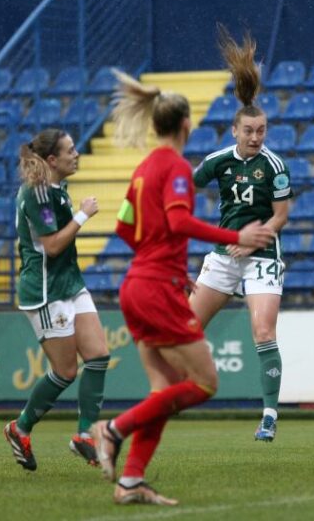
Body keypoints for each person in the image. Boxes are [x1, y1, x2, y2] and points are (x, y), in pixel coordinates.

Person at [91, 71, 274, 506]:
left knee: (164, 390)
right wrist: (237, 237)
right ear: (186, 126)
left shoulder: (144, 168)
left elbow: (123, 226)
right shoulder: (174, 166)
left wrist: (165, 259)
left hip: (138, 283)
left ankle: (132, 481)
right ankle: (112, 430)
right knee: (205, 382)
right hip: (156, 288)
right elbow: (177, 222)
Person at [189, 26, 291, 442]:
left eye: (261, 131)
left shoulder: (275, 165)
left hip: (262, 255)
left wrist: (251, 238)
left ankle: (268, 414)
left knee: (264, 332)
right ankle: (179, 394)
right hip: (222, 254)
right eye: (249, 131)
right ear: (235, 131)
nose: (255, 137)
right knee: (187, 328)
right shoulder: (216, 161)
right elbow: (187, 187)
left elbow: (281, 216)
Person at [3, 129, 111, 471]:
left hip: (70, 283)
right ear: (52, 160)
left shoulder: (54, 189)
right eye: (70, 150)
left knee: (98, 356)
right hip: (46, 292)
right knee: (65, 371)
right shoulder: (37, 194)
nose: (76, 154)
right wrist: (83, 216)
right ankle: (19, 428)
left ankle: (84, 435)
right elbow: (51, 246)